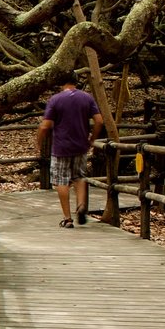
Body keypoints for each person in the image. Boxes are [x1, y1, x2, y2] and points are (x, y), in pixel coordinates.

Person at [37, 73, 103, 228]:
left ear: (61, 83)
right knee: (79, 176)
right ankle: (81, 205)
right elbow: (99, 120)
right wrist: (92, 138)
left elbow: (46, 125)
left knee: (61, 181)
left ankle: (67, 219)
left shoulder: (56, 99)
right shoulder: (87, 98)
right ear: (76, 82)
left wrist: (39, 140)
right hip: (81, 145)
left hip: (61, 147)